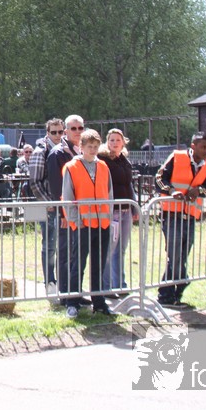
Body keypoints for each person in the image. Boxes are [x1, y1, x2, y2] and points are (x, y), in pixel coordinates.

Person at [155, 131, 206, 308]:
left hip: (190, 215)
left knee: (181, 256)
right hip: (172, 214)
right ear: (193, 146)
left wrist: (199, 191)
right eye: (203, 147)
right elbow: (159, 178)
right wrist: (172, 191)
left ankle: (172, 294)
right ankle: (175, 288)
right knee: (175, 255)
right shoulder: (177, 157)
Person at [61, 128, 112, 318]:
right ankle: (72, 303)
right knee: (78, 265)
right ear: (81, 147)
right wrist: (76, 220)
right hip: (83, 224)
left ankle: (99, 302)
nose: (93, 150)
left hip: (103, 223)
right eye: (89, 146)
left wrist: (109, 216)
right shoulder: (72, 167)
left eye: (96, 146)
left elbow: (109, 193)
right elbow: (68, 196)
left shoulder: (103, 166)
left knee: (99, 265)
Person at [27, 117, 66, 297]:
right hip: (49, 206)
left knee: (63, 245)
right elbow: (35, 182)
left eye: (60, 131)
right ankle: (49, 280)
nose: (57, 135)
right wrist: (49, 203)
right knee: (49, 245)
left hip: (63, 205)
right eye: (54, 132)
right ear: (47, 133)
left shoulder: (65, 149)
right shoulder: (40, 151)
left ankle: (62, 281)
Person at [49, 115, 85, 307]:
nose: (77, 132)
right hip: (66, 213)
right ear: (66, 131)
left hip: (81, 212)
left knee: (77, 253)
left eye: (80, 128)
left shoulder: (82, 151)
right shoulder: (58, 153)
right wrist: (62, 213)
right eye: (73, 128)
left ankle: (76, 292)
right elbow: (56, 186)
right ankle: (65, 293)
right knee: (65, 253)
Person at [99, 128, 136, 297]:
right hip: (112, 211)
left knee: (121, 249)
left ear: (123, 143)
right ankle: (105, 287)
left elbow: (129, 185)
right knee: (108, 249)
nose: (114, 143)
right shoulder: (103, 160)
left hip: (126, 210)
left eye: (118, 140)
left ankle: (120, 284)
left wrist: (134, 206)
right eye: (111, 140)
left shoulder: (124, 160)